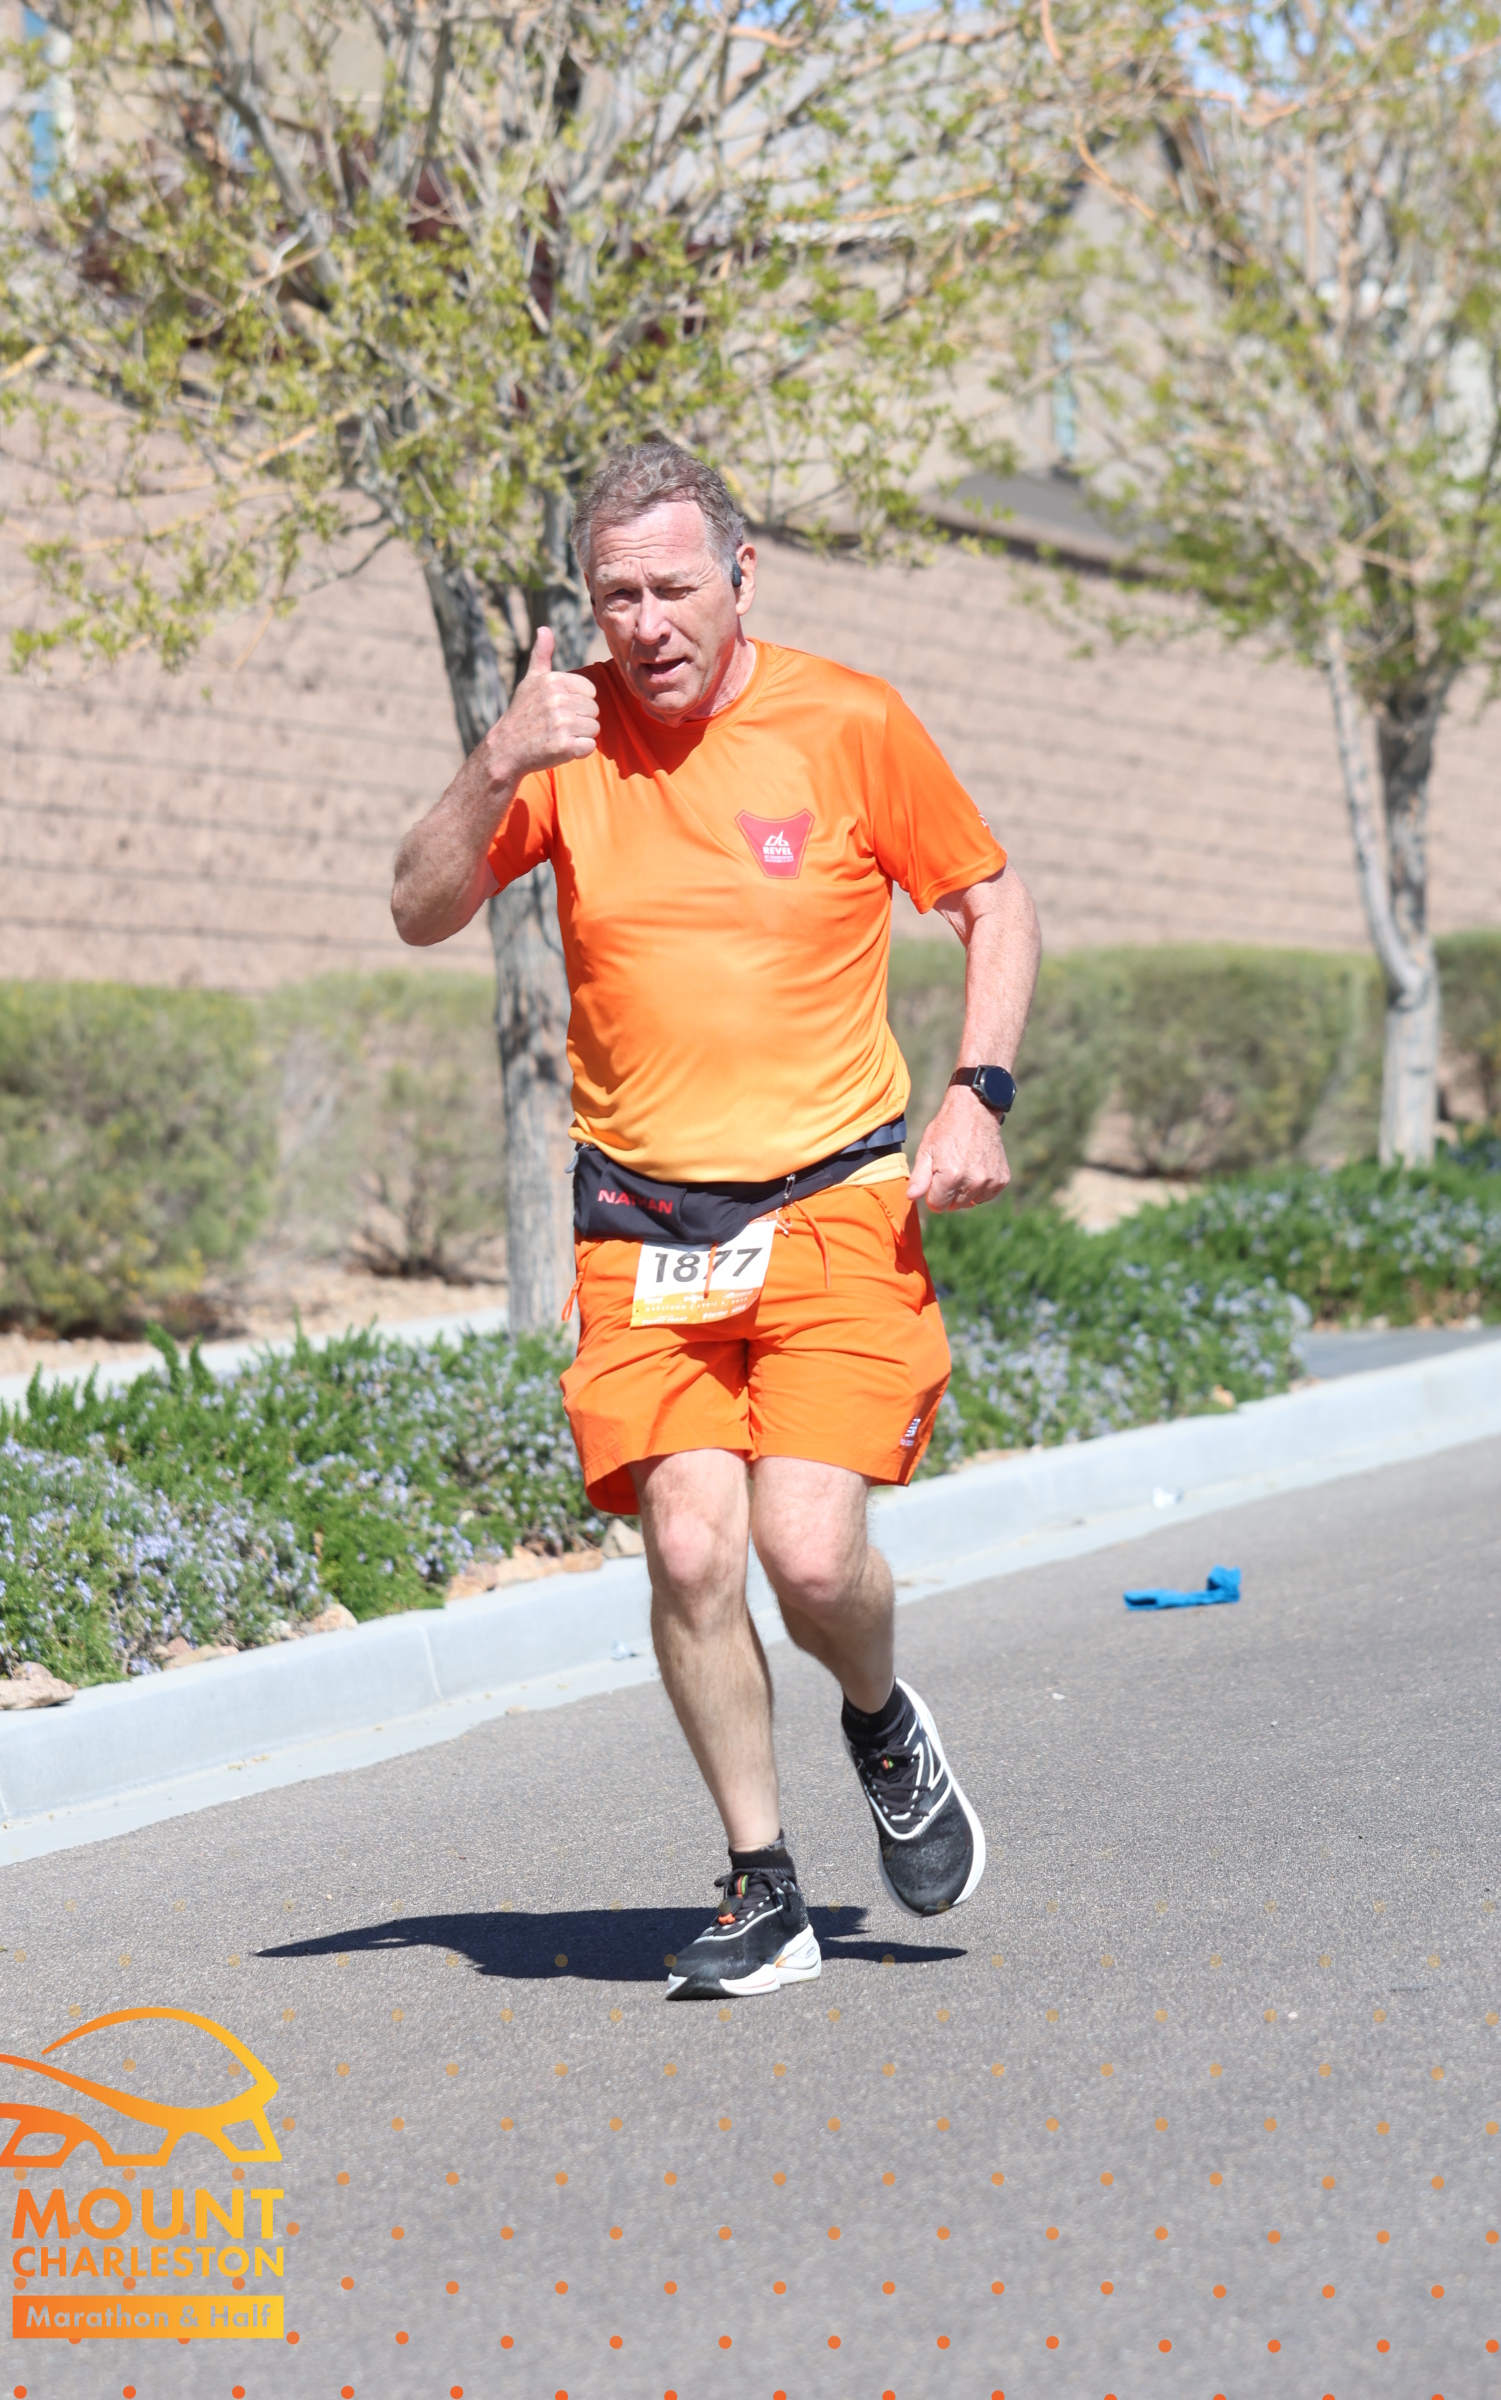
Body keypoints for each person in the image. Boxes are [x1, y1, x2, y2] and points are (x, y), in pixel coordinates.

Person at [392, 441, 1041, 2000]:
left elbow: (991, 902)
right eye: (615, 595)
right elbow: (417, 907)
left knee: (809, 1555)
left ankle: (879, 1719)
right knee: (691, 1545)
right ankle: (765, 1886)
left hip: (830, 1205)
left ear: (742, 576)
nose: (646, 624)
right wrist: (495, 760)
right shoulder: (565, 744)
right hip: (641, 1228)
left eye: (674, 588)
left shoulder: (849, 722)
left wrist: (980, 1093)